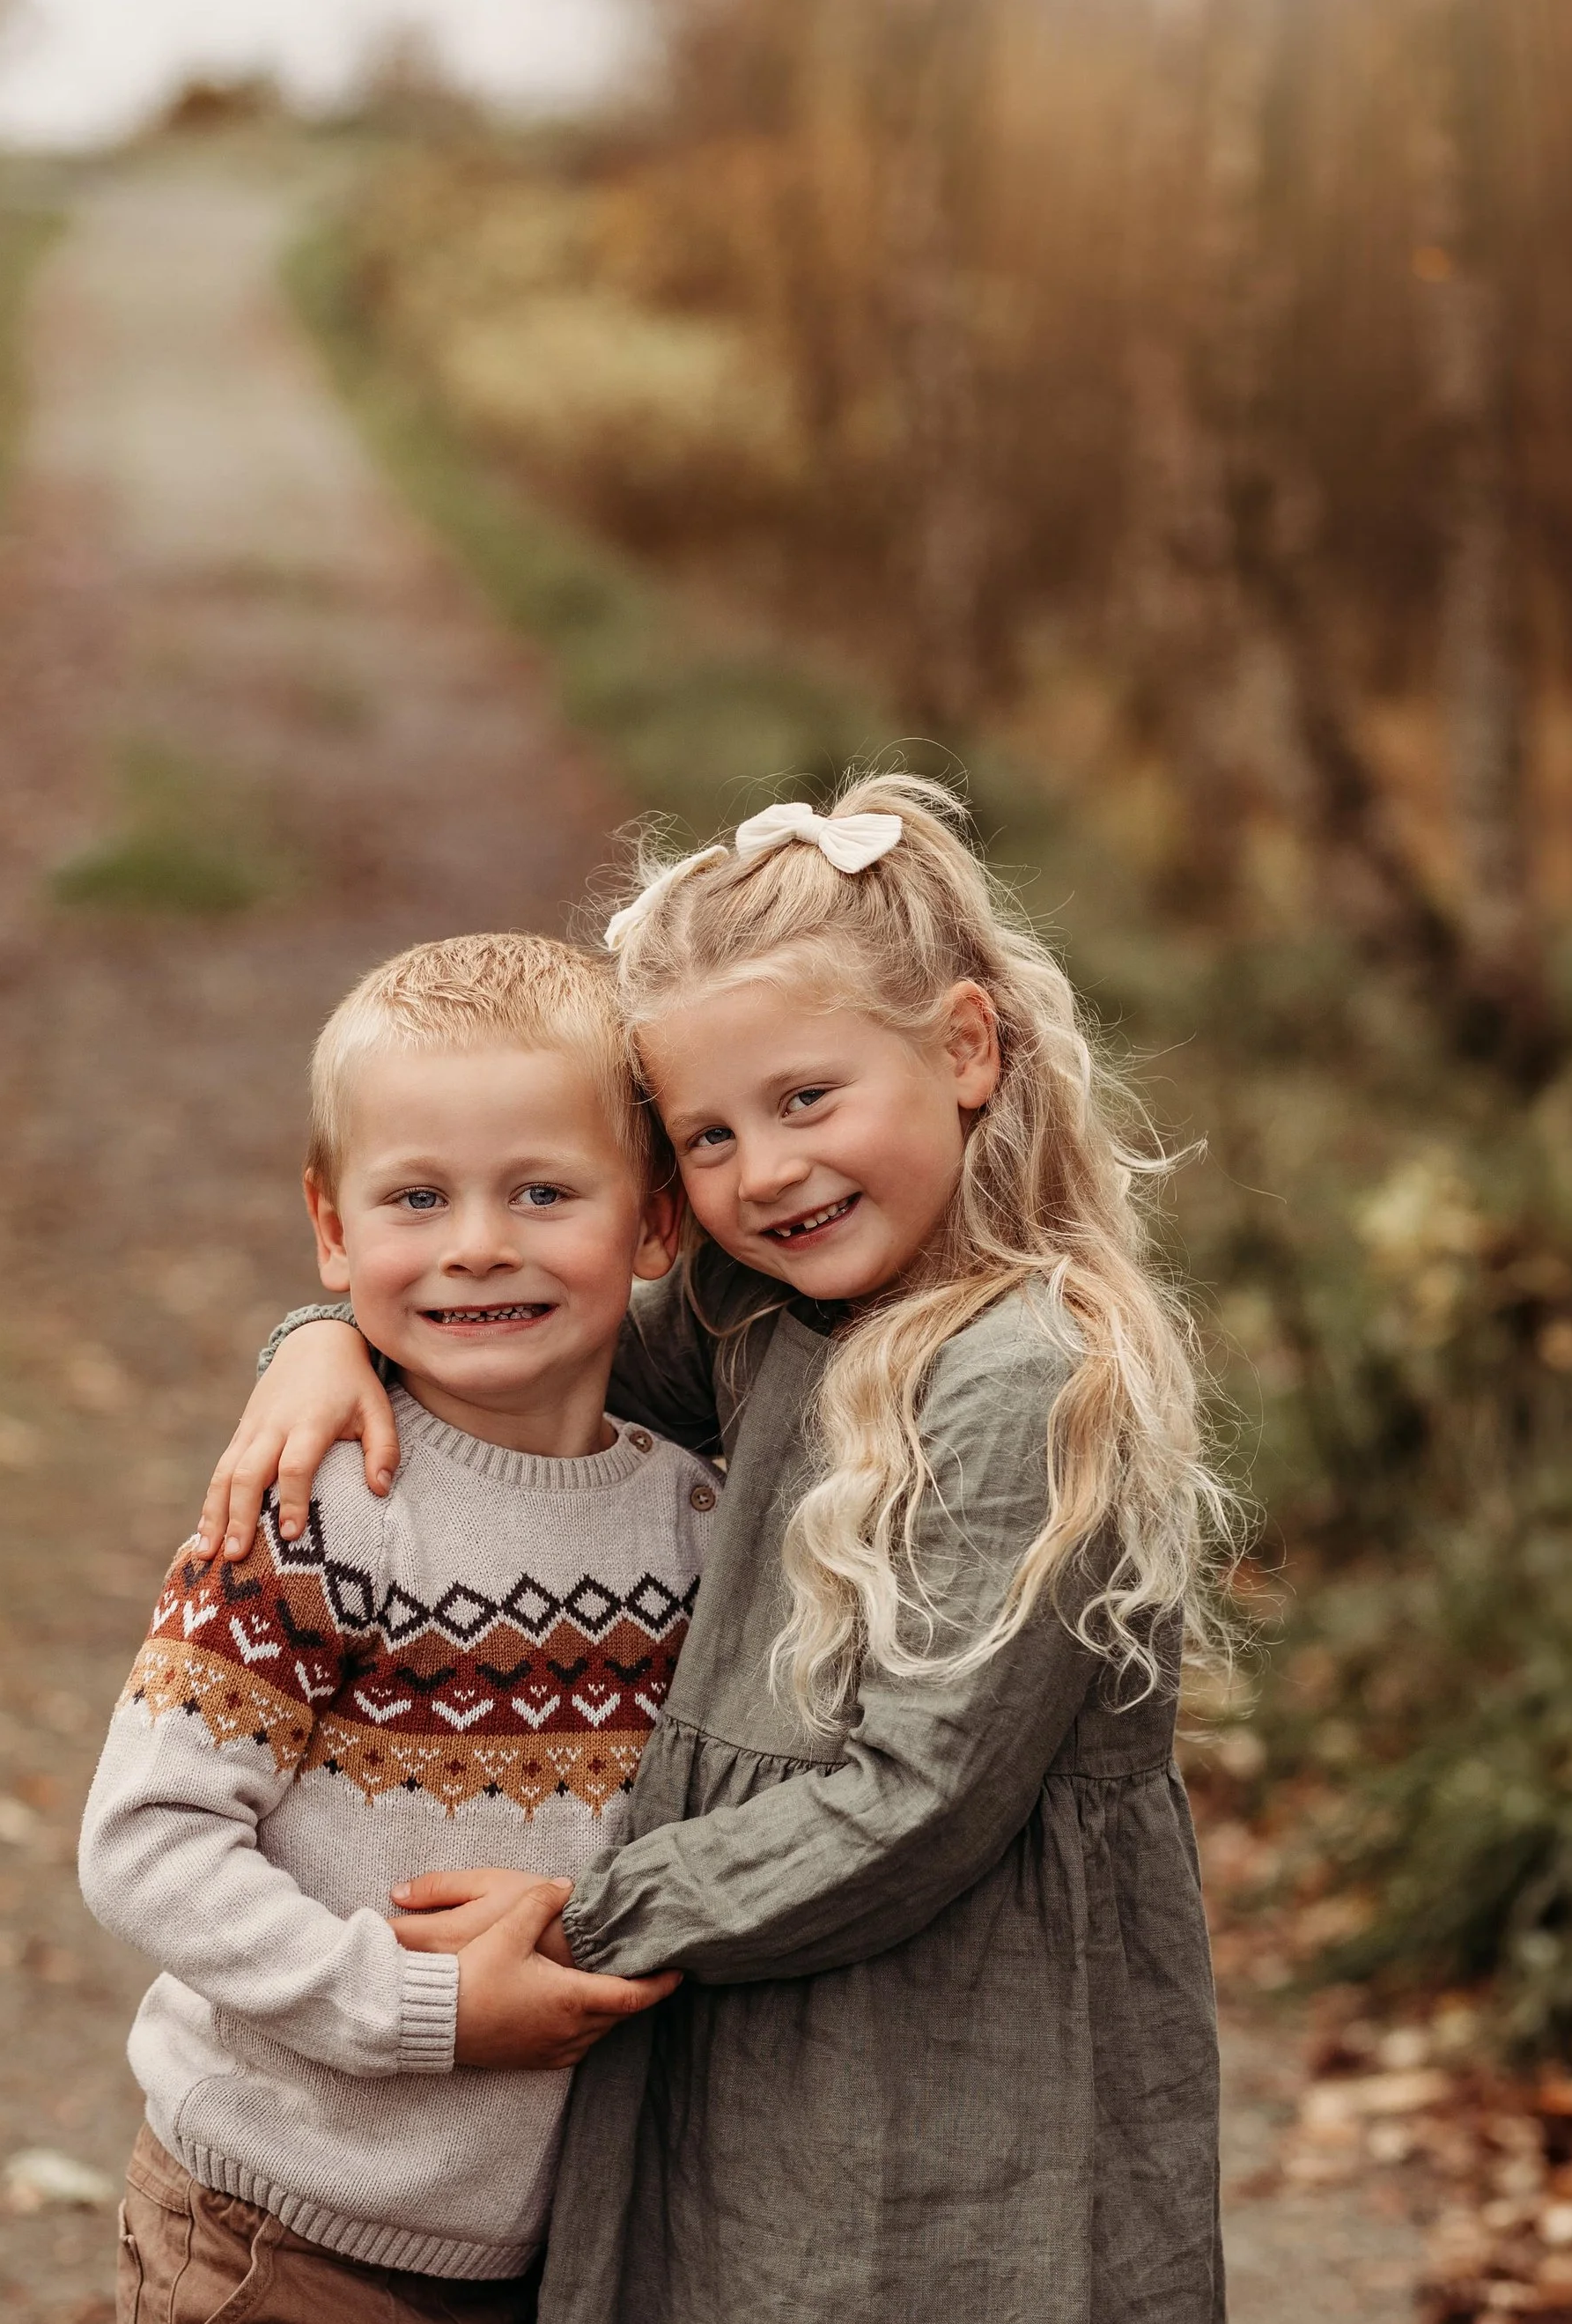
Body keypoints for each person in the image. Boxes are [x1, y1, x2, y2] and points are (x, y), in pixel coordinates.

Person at [203, 774, 1236, 2322]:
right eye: (706, 1135)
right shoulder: (773, 1312)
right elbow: (513, 1338)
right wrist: (320, 1334)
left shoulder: (1029, 1373)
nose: (764, 1172)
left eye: (808, 1100)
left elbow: (922, 1798)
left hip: (949, 2012)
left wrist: (588, 1915)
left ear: (965, 1048)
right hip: (758, 1970)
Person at [78, 933, 716, 2324]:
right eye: (417, 1197)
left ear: (656, 1223)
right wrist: (414, 2010)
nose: (479, 1242)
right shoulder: (313, 1511)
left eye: (543, 1192)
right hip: (278, 2225)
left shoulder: (699, 1521)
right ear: (333, 1228)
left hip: (552, 2247)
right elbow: (148, 1841)